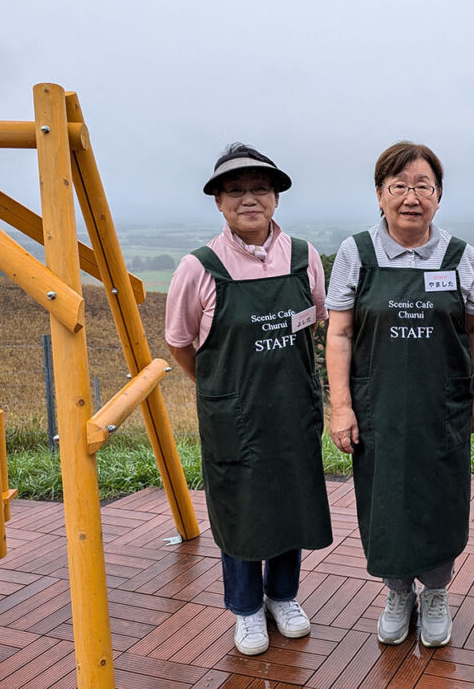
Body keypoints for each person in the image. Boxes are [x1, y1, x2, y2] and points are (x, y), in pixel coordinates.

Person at [165, 143, 333, 656]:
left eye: (260, 188)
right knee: (240, 508)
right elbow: (179, 343)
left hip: (292, 408)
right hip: (233, 415)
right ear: (218, 202)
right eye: (234, 190)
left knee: (291, 499)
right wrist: (220, 388)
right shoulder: (199, 267)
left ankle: (283, 596)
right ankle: (246, 609)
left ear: (277, 198)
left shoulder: (304, 258)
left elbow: (318, 320)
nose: (249, 199)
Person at [325, 141, 474, 648]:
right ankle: (398, 592)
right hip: (379, 410)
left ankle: (436, 592)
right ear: (380, 194)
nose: (411, 197)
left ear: (438, 196)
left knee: (441, 500)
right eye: (399, 186)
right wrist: (343, 406)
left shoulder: (459, 255)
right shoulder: (358, 252)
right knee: (386, 502)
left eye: (423, 186)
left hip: (441, 408)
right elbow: (339, 333)